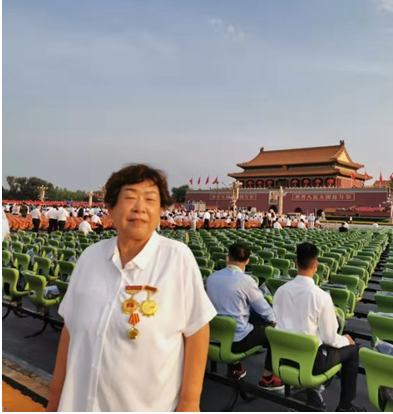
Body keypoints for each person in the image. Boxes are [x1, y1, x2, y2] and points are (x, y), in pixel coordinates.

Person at [47, 164, 216, 412]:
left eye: (150, 199)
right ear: (111, 208)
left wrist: (190, 402)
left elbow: (197, 330)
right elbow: (70, 330)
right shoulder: (90, 258)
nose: (139, 207)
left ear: (160, 211)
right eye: (129, 198)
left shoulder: (177, 258)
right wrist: (55, 398)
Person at [273, 243, 365, 412]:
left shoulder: (280, 291)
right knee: (352, 350)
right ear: (316, 264)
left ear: (295, 262)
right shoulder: (321, 297)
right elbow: (330, 338)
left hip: (282, 358)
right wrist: (346, 340)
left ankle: (307, 392)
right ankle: (345, 406)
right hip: (309, 363)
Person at [206, 243, 283, 390]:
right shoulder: (246, 281)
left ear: (227, 258)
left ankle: (236, 366)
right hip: (236, 341)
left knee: (242, 315)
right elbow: (265, 310)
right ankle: (268, 377)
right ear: (247, 261)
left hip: (213, 335)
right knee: (273, 332)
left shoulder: (212, 277)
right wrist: (276, 322)